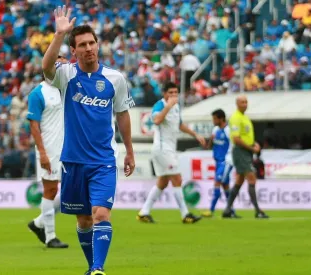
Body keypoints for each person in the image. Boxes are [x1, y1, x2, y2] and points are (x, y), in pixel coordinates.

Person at [41, 6, 136, 275]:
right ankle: (91, 266)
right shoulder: (67, 75)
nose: (88, 48)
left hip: (103, 161)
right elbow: (46, 67)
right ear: (74, 51)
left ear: (98, 45)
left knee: (101, 215)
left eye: (92, 43)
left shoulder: (115, 78)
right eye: (82, 44)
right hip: (72, 161)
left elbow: (123, 115)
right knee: (83, 221)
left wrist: (129, 150)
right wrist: (59, 34)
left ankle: (97, 268)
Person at [137, 82, 205, 224]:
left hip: (169, 148)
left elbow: (179, 125)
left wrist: (195, 135)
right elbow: (156, 120)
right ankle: (185, 214)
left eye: (175, 92)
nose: (174, 95)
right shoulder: (160, 105)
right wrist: (168, 106)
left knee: (163, 182)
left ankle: (144, 212)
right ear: (164, 93)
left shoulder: (176, 107)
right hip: (162, 148)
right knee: (177, 178)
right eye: (171, 93)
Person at [27, 56, 69, 249]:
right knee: (51, 190)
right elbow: (34, 126)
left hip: (70, 149)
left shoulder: (67, 90)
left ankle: (38, 223)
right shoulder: (38, 93)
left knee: (71, 193)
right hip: (50, 149)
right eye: (60, 63)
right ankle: (50, 236)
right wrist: (42, 153)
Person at [222, 95, 269, 219]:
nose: (245, 104)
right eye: (242, 102)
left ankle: (227, 210)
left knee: (239, 180)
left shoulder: (245, 117)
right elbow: (236, 139)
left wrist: (255, 144)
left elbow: (246, 136)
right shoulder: (236, 118)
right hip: (240, 152)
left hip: (246, 151)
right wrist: (251, 148)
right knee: (252, 179)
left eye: (246, 102)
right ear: (237, 104)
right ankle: (258, 211)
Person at [201, 109, 234, 218]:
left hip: (226, 161)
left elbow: (234, 145)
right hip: (217, 161)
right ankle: (231, 211)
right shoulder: (215, 130)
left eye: (215, 118)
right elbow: (209, 146)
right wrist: (210, 140)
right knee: (225, 186)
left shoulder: (228, 130)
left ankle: (211, 210)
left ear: (221, 118)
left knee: (217, 183)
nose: (213, 121)